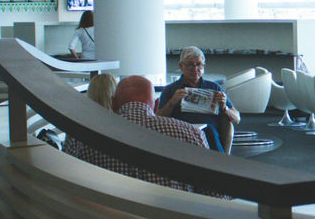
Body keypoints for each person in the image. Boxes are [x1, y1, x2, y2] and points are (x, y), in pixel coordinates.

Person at [64, 75, 210, 193]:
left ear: (113, 103)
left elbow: (69, 184)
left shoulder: (83, 136)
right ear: (157, 104)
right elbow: (215, 194)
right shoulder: (191, 133)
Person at [156, 46, 240, 153]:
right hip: (182, 131)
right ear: (181, 66)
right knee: (203, 133)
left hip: (210, 131)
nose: (195, 69)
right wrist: (172, 103)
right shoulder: (171, 89)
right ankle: (219, 163)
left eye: (199, 65)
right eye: (190, 64)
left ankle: (219, 163)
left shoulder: (214, 87)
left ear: (203, 66)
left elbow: (237, 119)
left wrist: (224, 108)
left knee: (208, 131)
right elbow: (158, 119)